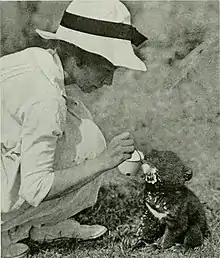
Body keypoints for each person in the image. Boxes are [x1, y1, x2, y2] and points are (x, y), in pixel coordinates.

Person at [1, 0, 147, 254]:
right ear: (78, 56)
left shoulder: (36, 60)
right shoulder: (45, 98)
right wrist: (104, 161)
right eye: (106, 69)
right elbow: (37, 188)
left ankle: (41, 224)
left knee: (84, 133)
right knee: (91, 152)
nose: (109, 81)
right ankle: (12, 231)